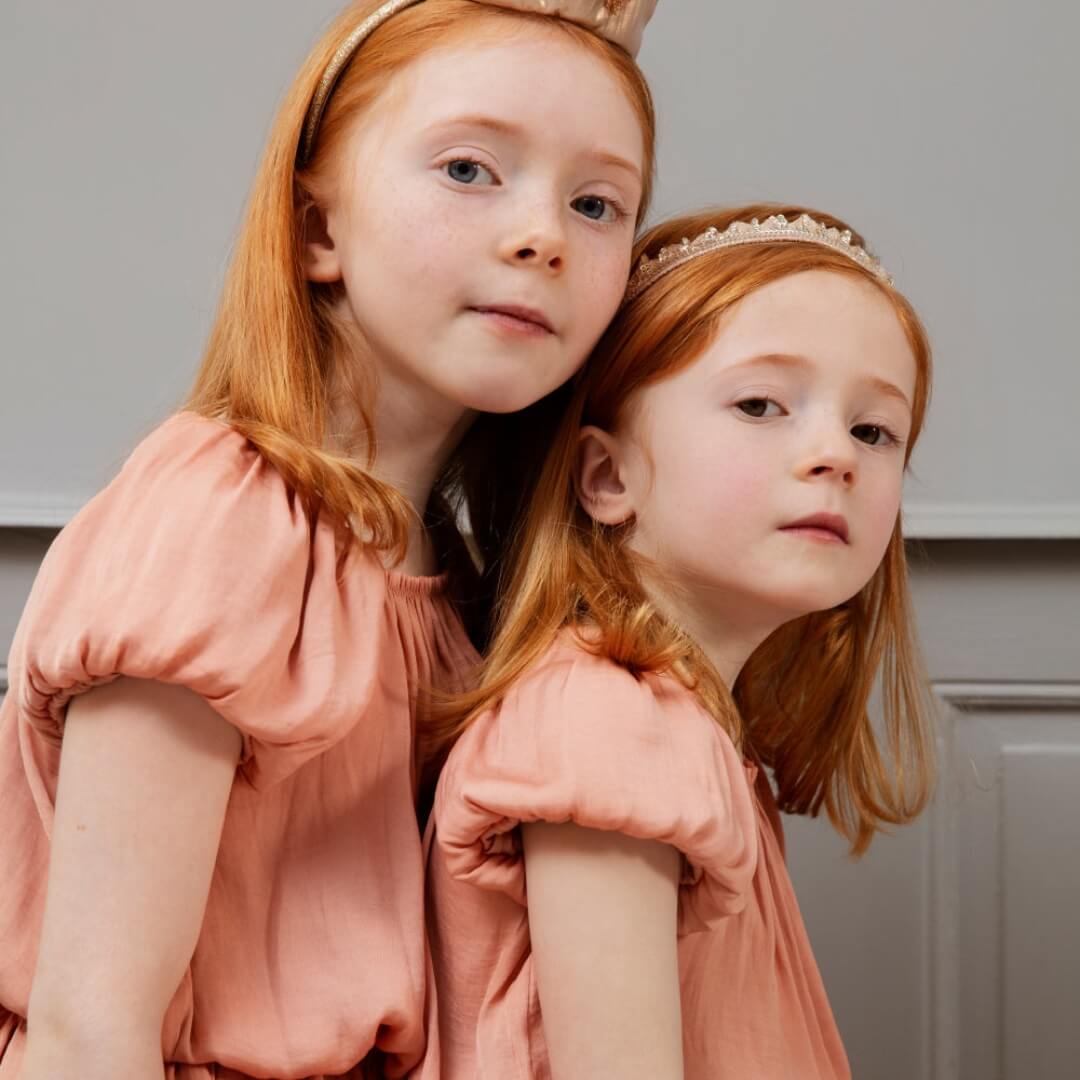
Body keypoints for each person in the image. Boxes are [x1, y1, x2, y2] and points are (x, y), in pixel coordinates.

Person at [0, 1, 658, 1076]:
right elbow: (90, 1029)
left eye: (596, 203)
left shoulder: (457, 581)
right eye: (469, 170)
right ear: (318, 231)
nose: (542, 235)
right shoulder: (221, 517)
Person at [420, 204, 938, 1080]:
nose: (835, 455)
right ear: (607, 476)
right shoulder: (605, 728)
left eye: (873, 430)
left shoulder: (677, 727)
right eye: (760, 404)